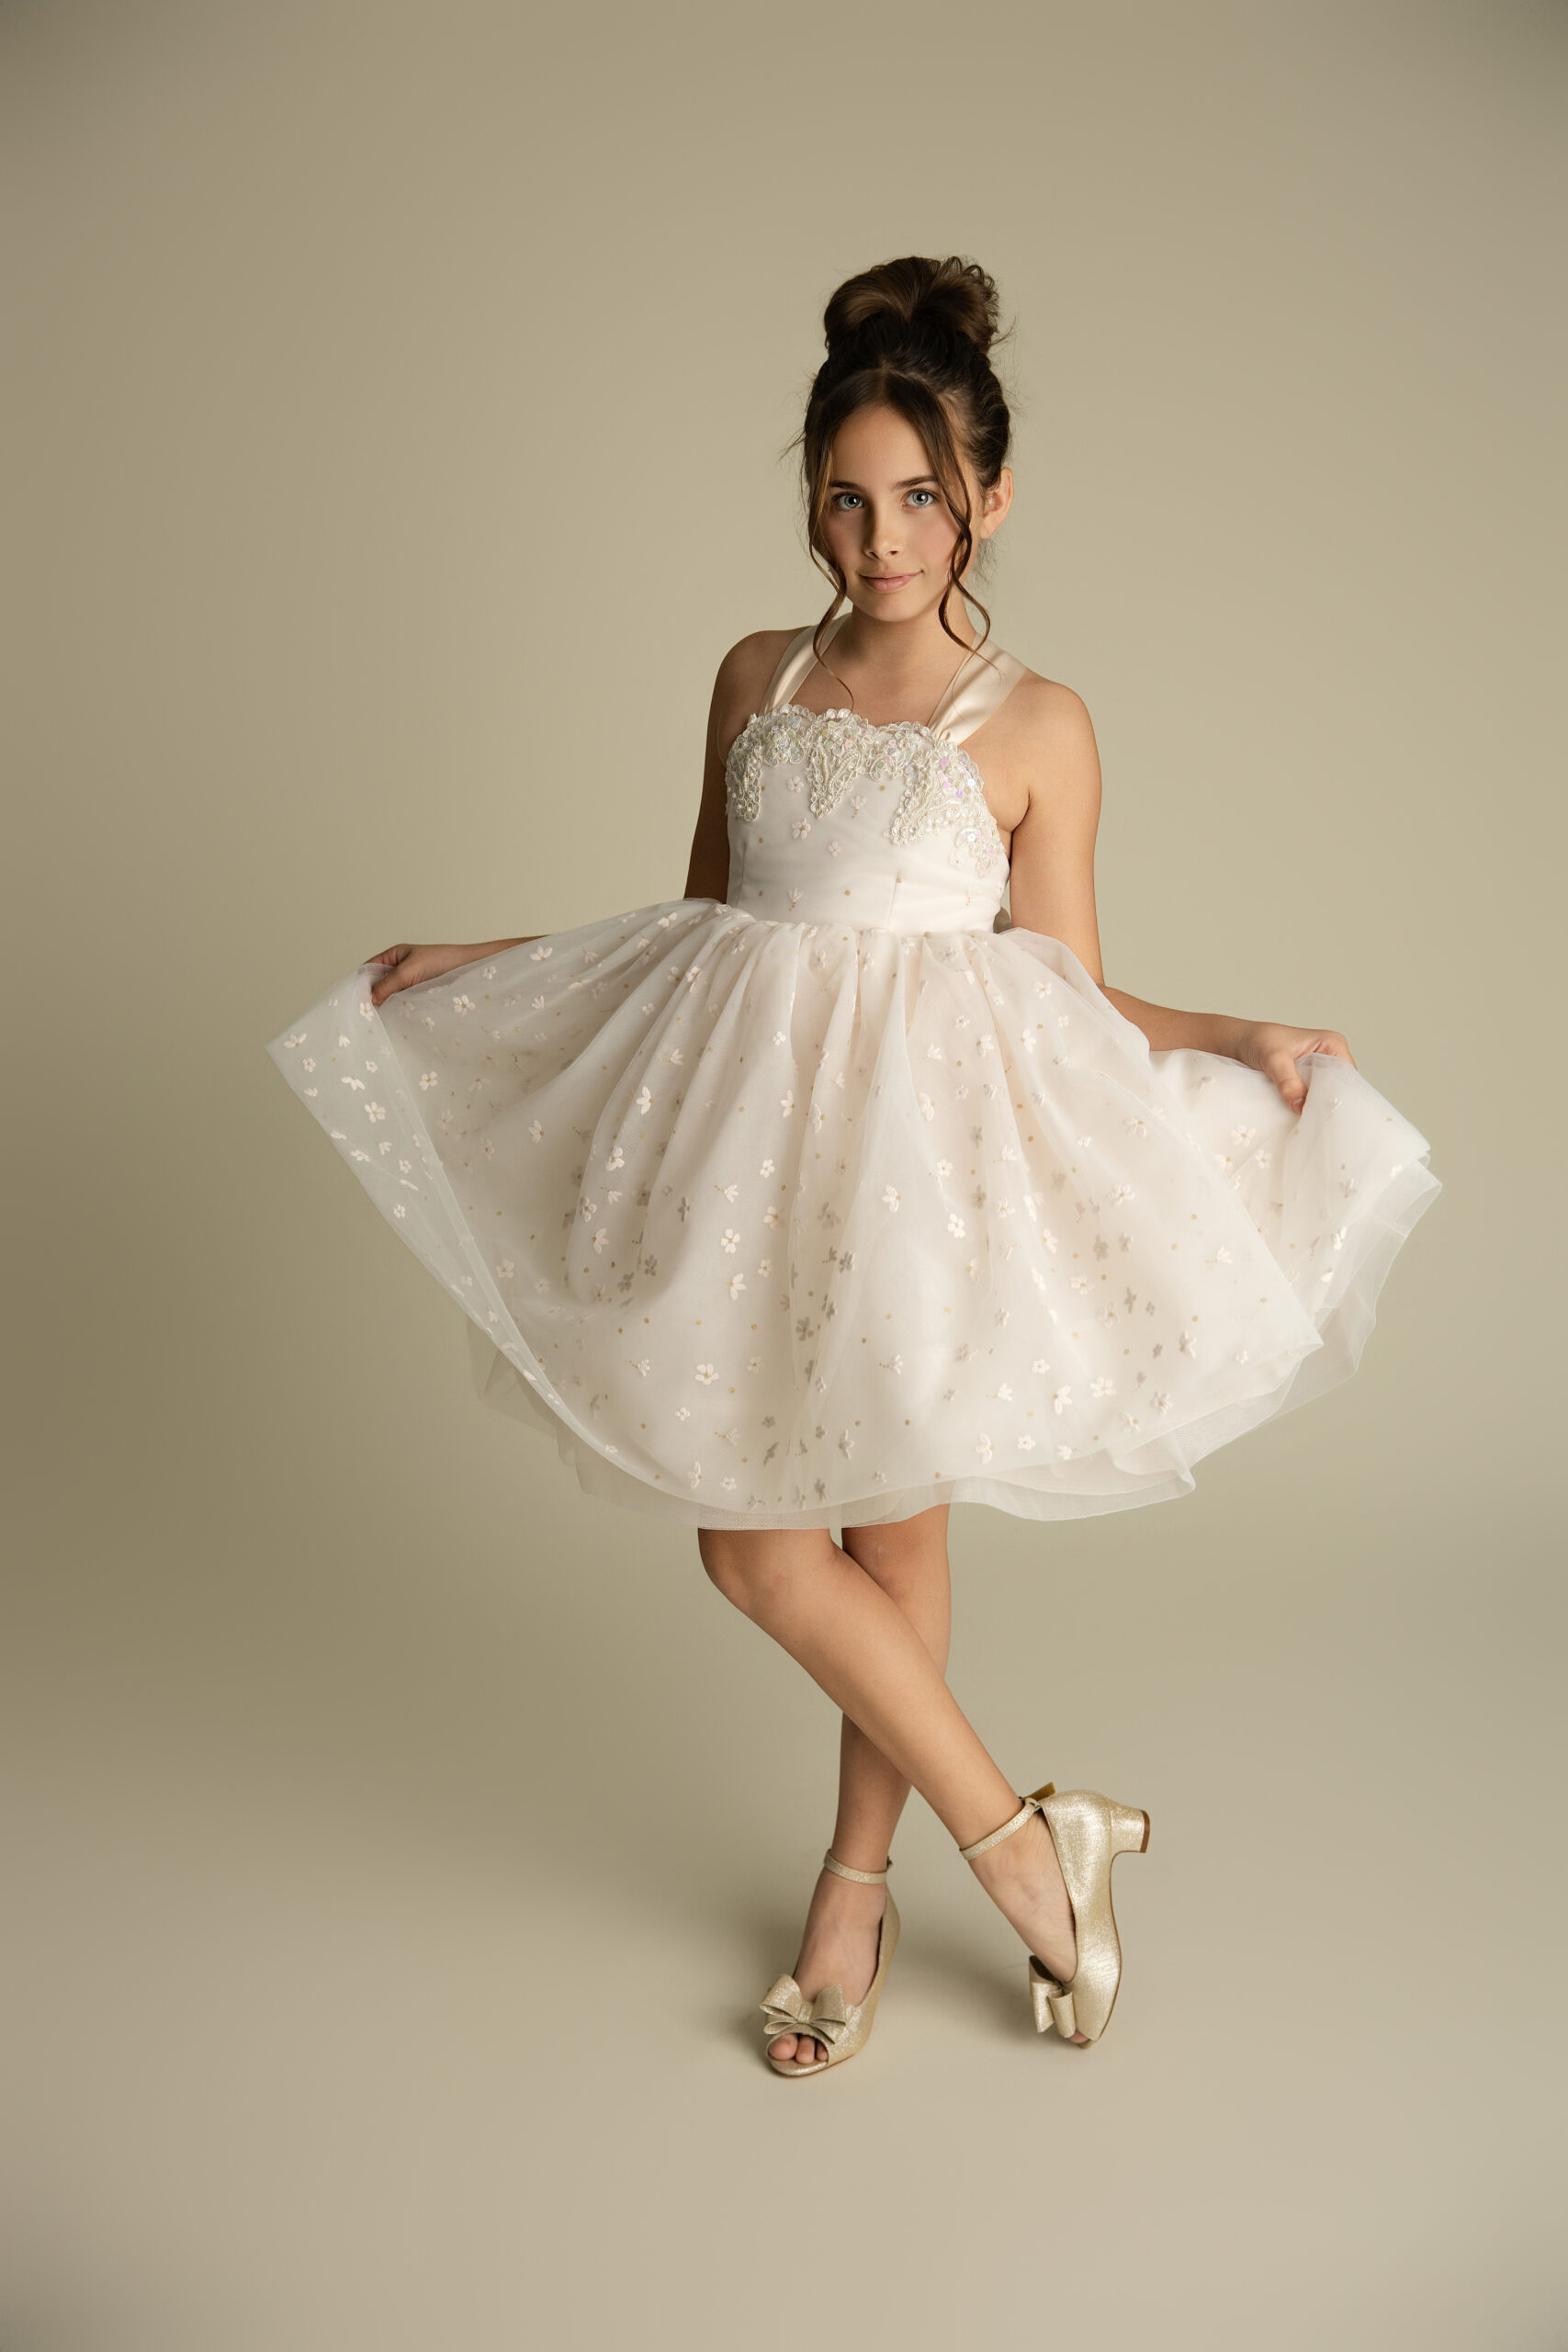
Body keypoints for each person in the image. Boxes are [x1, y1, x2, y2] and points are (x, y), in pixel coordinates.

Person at [266, 254, 1439, 2078]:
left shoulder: (1036, 722)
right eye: (843, 494)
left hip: (930, 1160)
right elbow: (697, 917)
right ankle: (1028, 1840)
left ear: (987, 495)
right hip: (755, 1148)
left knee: (891, 1529)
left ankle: (853, 1883)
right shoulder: (758, 671)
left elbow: (1064, 981)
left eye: (916, 498)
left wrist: (1228, 1036)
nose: (879, 538)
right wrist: (489, 962)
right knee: (756, 1541)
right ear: (806, 490)